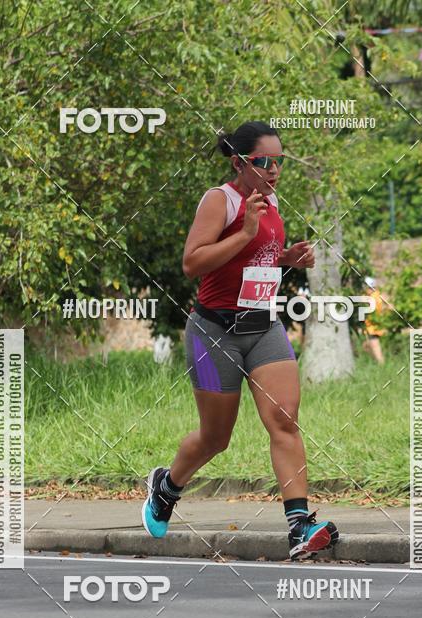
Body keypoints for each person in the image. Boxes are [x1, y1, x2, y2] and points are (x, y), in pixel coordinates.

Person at [142, 120, 339, 560]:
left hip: (263, 326)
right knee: (216, 437)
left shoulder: (270, 203)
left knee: (284, 420)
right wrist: (246, 233)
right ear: (238, 162)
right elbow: (193, 263)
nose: (273, 170)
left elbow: (255, 266)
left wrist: (286, 259)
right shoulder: (221, 201)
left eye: (279, 162)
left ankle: (299, 528)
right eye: (263, 162)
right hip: (213, 333)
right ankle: (167, 487)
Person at [362, 276, 386, 364]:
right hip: (373, 326)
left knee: (375, 347)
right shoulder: (377, 295)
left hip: (373, 327)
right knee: (366, 346)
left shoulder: (372, 297)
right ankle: (376, 362)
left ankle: (381, 365)